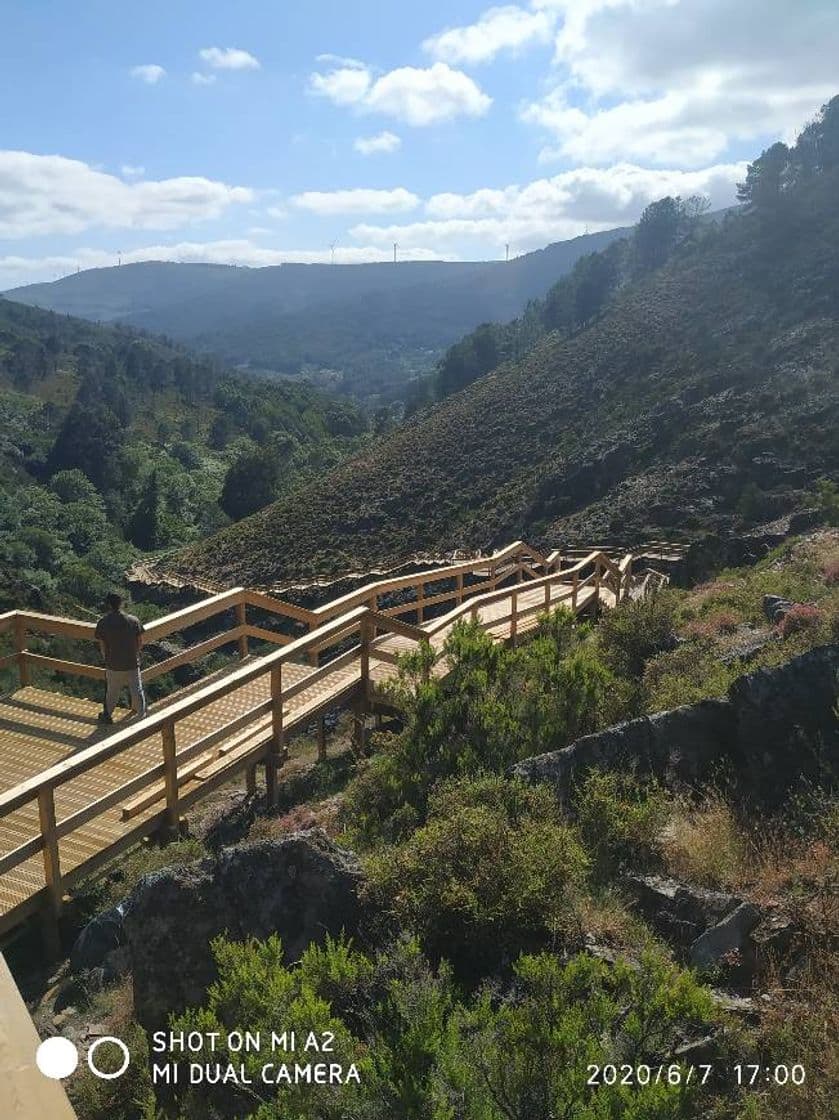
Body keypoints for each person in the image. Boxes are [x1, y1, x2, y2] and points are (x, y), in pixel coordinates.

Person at [95, 592, 147, 724]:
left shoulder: (102, 623)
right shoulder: (133, 621)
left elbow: (103, 646)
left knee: (112, 692)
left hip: (113, 664)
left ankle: (107, 715)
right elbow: (139, 642)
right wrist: (135, 655)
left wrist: (106, 659)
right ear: (121, 604)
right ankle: (141, 716)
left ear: (108, 605)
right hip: (131, 662)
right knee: (136, 689)